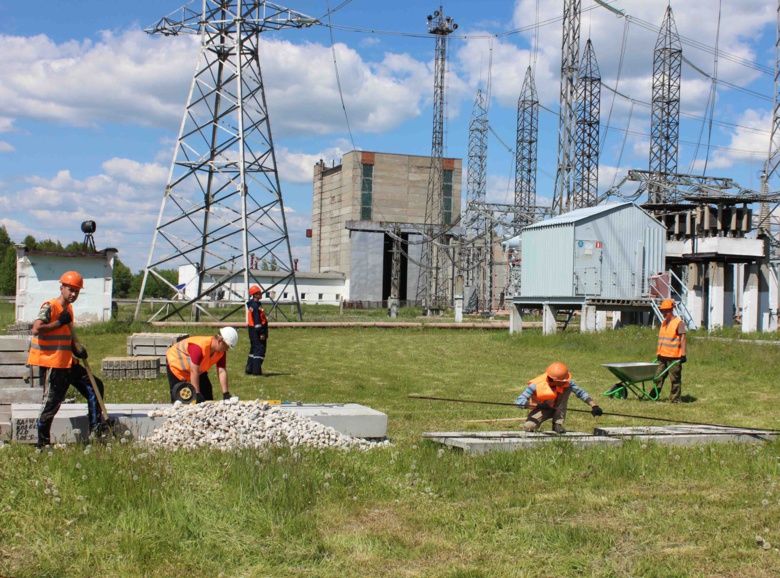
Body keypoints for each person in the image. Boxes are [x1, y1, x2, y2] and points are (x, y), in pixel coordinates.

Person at [28, 271, 106, 447]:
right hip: (52, 365)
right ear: (61, 288)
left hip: (68, 362)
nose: (73, 294)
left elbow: (66, 334)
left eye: (77, 292)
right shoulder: (50, 306)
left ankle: (95, 431)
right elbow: (36, 329)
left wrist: (76, 351)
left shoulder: (68, 309)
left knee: (95, 386)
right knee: (51, 404)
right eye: (71, 290)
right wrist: (58, 323)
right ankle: (42, 444)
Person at [514, 361, 602, 434]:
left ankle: (557, 423)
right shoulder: (536, 384)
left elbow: (581, 393)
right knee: (529, 427)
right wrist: (537, 405)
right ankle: (536, 424)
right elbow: (518, 401)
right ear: (555, 380)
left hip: (559, 408)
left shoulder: (567, 383)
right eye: (563, 381)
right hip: (541, 409)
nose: (565, 382)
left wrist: (594, 406)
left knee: (567, 388)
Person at [166, 327, 238, 403]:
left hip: (197, 369)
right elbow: (194, 371)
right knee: (180, 396)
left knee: (206, 391)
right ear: (220, 341)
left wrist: (226, 393)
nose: (227, 349)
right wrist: (197, 393)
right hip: (177, 365)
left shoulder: (221, 352)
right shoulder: (199, 348)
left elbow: (221, 371)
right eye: (227, 346)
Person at [652, 299, 687, 403]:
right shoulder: (663, 323)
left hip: (674, 357)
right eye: (663, 311)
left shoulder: (679, 323)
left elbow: (683, 338)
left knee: (674, 379)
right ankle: (654, 396)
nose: (664, 313)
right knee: (657, 377)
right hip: (662, 356)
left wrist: (683, 355)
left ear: (671, 310)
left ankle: (675, 398)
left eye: (666, 311)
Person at [245, 284, 268, 377]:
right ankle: (256, 371)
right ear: (255, 295)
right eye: (259, 292)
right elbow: (257, 321)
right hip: (257, 331)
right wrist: (261, 333)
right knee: (259, 350)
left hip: (252, 330)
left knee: (253, 350)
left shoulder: (253, 305)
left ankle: (249, 368)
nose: (261, 294)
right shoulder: (255, 306)